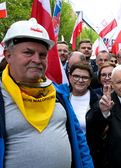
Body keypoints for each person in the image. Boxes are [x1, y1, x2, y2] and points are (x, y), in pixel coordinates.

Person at [0, 18, 93, 168]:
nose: (37, 60)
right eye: (28, 52)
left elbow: (79, 140)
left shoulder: (58, 93)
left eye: (42, 55)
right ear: (8, 55)